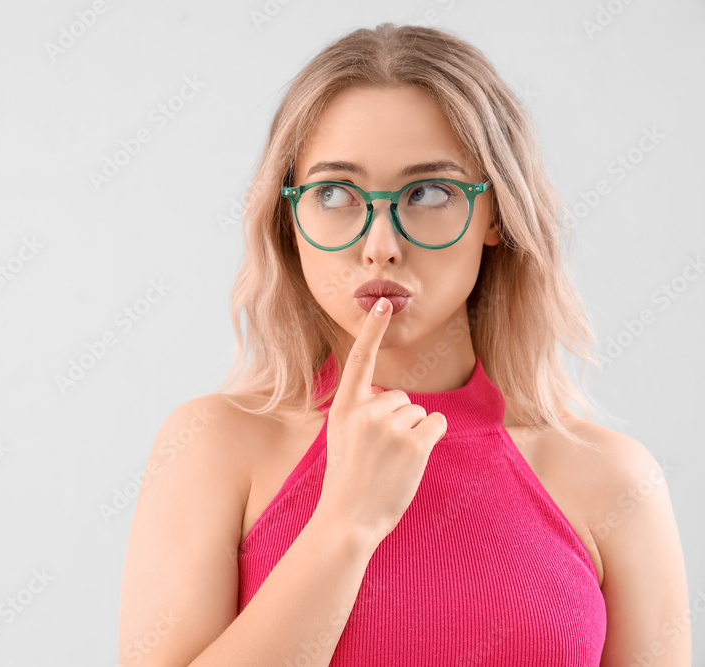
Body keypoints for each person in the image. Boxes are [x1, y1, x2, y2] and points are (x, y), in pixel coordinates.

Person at [118, 23, 690, 666]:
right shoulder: (212, 446)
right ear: (290, 220)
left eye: (429, 193)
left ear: (496, 214)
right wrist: (346, 522)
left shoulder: (614, 481)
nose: (380, 244)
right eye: (335, 193)